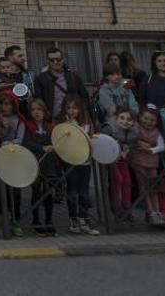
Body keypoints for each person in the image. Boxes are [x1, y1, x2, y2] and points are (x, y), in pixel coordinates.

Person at [57, 94, 99, 235]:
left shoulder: (86, 123)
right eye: (68, 108)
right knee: (72, 191)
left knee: (84, 192)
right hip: (70, 160)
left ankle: (84, 219)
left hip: (85, 161)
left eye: (74, 108)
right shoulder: (65, 123)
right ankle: (73, 219)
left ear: (80, 109)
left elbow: (91, 138)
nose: (71, 111)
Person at [23, 99, 59, 236]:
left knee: (48, 193)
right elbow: (26, 143)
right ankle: (36, 220)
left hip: (49, 164)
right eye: (33, 110)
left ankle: (49, 220)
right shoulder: (28, 126)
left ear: (45, 111)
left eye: (39, 109)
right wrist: (41, 147)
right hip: (35, 162)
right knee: (36, 192)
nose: (36, 112)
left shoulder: (50, 127)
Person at [0, 91, 26, 235]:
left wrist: (9, 142)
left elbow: (20, 138)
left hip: (14, 158)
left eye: (7, 104)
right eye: (2, 104)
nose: (4, 107)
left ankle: (16, 219)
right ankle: (3, 214)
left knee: (15, 192)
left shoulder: (19, 120)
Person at [130, 107, 165, 226]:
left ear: (156, 121)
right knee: (143, 186)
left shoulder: (157, 132)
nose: (148, 121)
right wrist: (139, 144)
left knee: (154, 186)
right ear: (140, 117)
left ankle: (157, 211)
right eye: (145, 118)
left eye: (152, 120)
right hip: (138, 161)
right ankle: (151, 212)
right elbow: (132, 138)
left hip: (152, 162)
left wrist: (150, 149)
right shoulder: (136, 127)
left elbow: (161, 146)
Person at [102, 106, 138, 223]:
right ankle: (116, 207)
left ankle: (127, 206)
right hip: (112, 160)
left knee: (127, 181)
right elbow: (104, 142)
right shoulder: (110, 128)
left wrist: (128, 149)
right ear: (116, 118)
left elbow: (134, 143)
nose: (125, 122)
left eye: (129, 120)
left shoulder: (134, 132)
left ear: (133, 122)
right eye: (122, 118)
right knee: (118, 180)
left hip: (124, 160)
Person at [34, 47, 88, 120]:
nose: (55, 62)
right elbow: (39, 101)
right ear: (47, 61)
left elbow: (84, 97)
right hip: (53, 119)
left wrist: (85, 116)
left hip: (73, 118)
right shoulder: (41, 78)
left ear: (63, 60)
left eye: (58, 59)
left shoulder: (73, 75)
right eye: (52, 60)